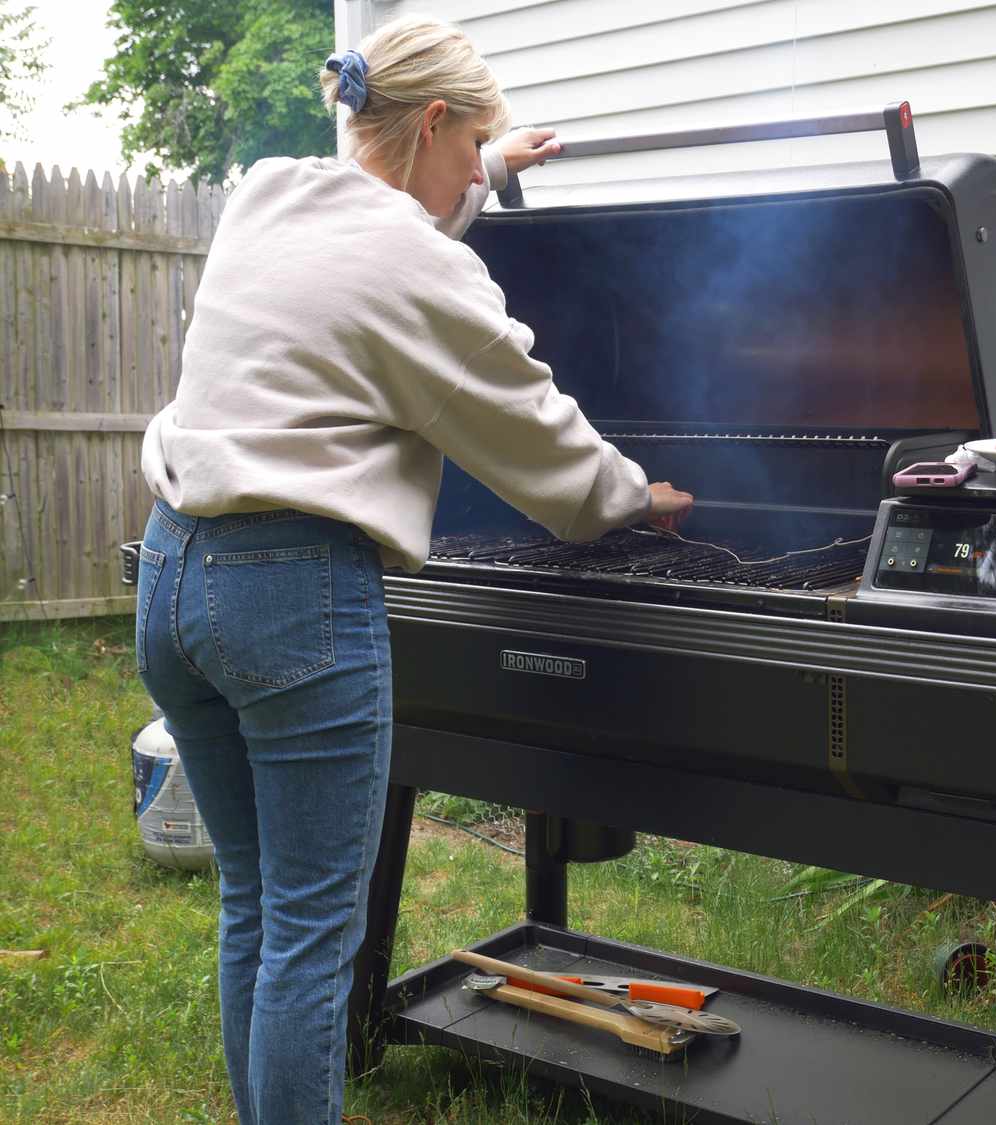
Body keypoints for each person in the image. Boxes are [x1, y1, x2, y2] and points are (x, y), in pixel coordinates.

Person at [133, 16, 693, 1125]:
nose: (467, 171)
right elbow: (539, 437)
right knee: (313, 935)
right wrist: (634, 497)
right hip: (293, 597)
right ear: (431, 120)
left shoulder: (268, 191)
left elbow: (384, 215)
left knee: (260, 903)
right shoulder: (420, 266)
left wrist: (484, 167)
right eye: (468, 137)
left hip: (173, 571)